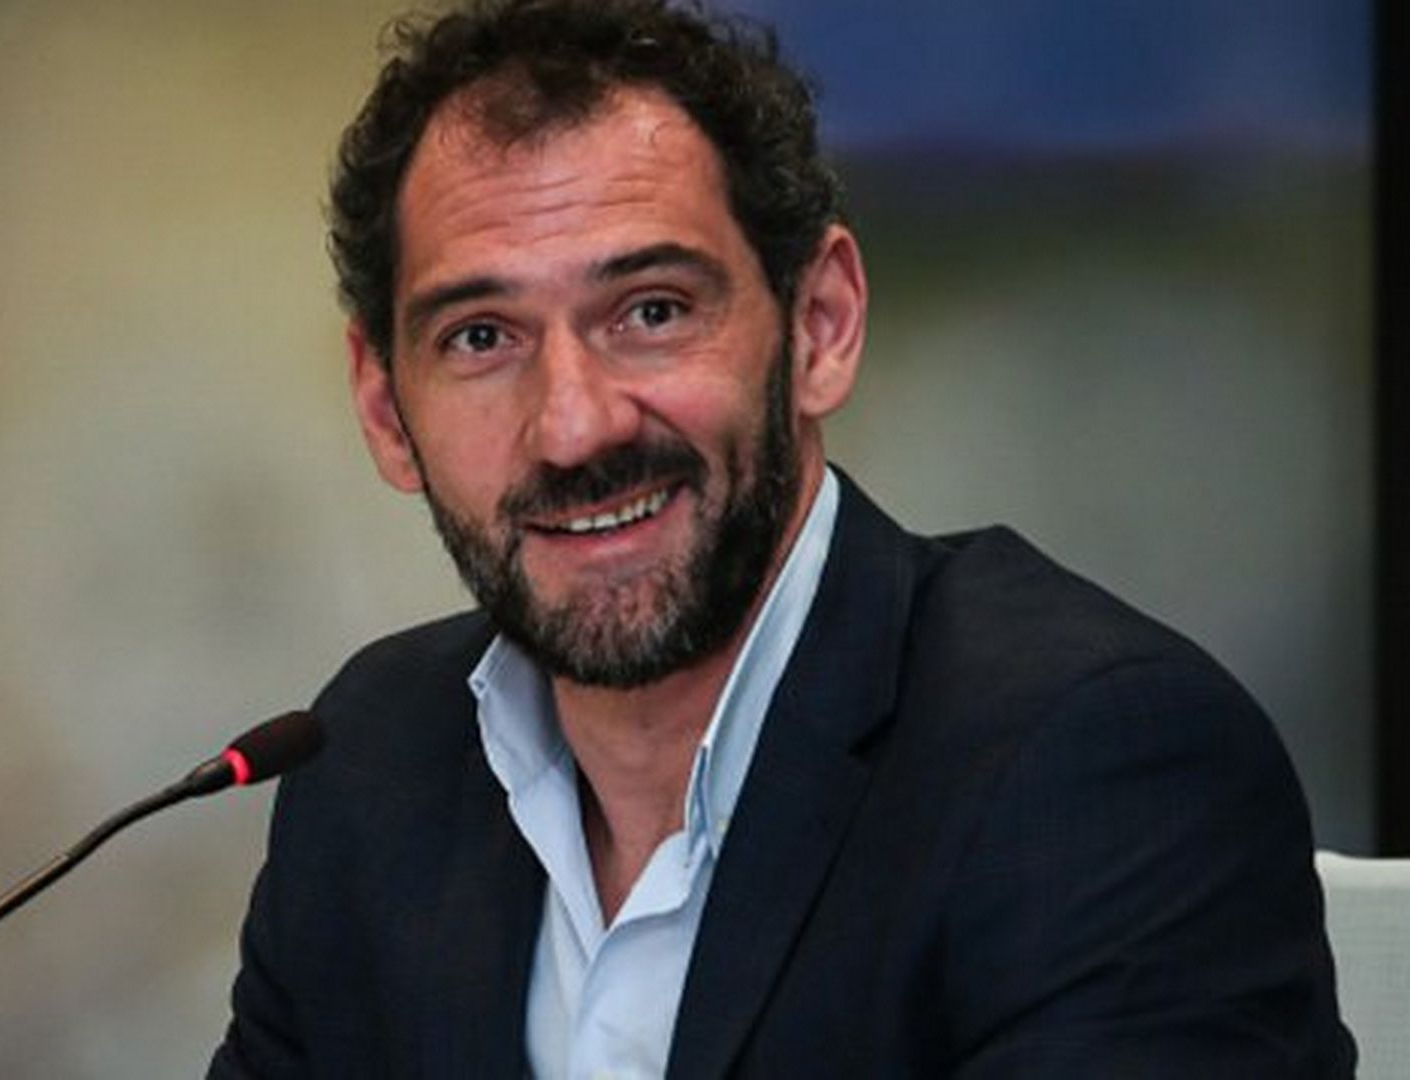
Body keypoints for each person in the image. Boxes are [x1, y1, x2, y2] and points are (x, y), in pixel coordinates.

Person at [210, 1, 1355, 1076]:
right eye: (480, 337)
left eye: (652, 311)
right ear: (384, 409)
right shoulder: (371, 764)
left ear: (821, 325)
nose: (572, 427)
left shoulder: (1093, 765)